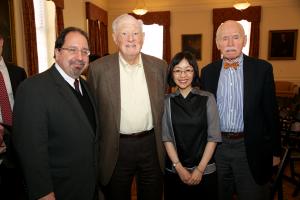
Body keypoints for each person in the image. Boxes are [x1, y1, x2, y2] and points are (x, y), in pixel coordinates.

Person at [12, 27, 99, 200]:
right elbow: (31, 149)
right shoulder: (33, 89)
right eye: (72, 50)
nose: (80, 57)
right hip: (59, 190)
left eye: (85, 51)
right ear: (57, 52)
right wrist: (43, 193)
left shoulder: (87, 87)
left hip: (88, 187)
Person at [87, 14, 167, 200]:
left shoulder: (160, 67)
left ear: (143, 37)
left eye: (135, 33)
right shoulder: (98, 70)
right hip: (115, 147)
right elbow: (93, 113)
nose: (131, 39)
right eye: (124, 33)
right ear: (115, 38)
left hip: (151, 145)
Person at [200, 20, 281, 200]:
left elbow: (271, 113)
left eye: (235, 37)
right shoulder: (207, 72)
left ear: (244, 41)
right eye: (225, 38)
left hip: (250, 147)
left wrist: (275, 151)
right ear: (217, 43)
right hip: (216, 148)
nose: (230, 43)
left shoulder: (262, 69)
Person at [162, 51, 221, 200]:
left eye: (188, 70)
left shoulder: (207, 98)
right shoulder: (166, 101)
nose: (183, 75)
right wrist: (179, 167)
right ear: (171, 74)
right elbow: (166, 138)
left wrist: (200, 169)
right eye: (177, 70)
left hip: (205, 170)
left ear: (194, 72)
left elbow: (213, 138)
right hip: (175, 170)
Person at [0, 32, 27, 199]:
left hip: (18, 138)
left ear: (1, 42)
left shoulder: (18, 72)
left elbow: (28, 107)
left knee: (18, 188)